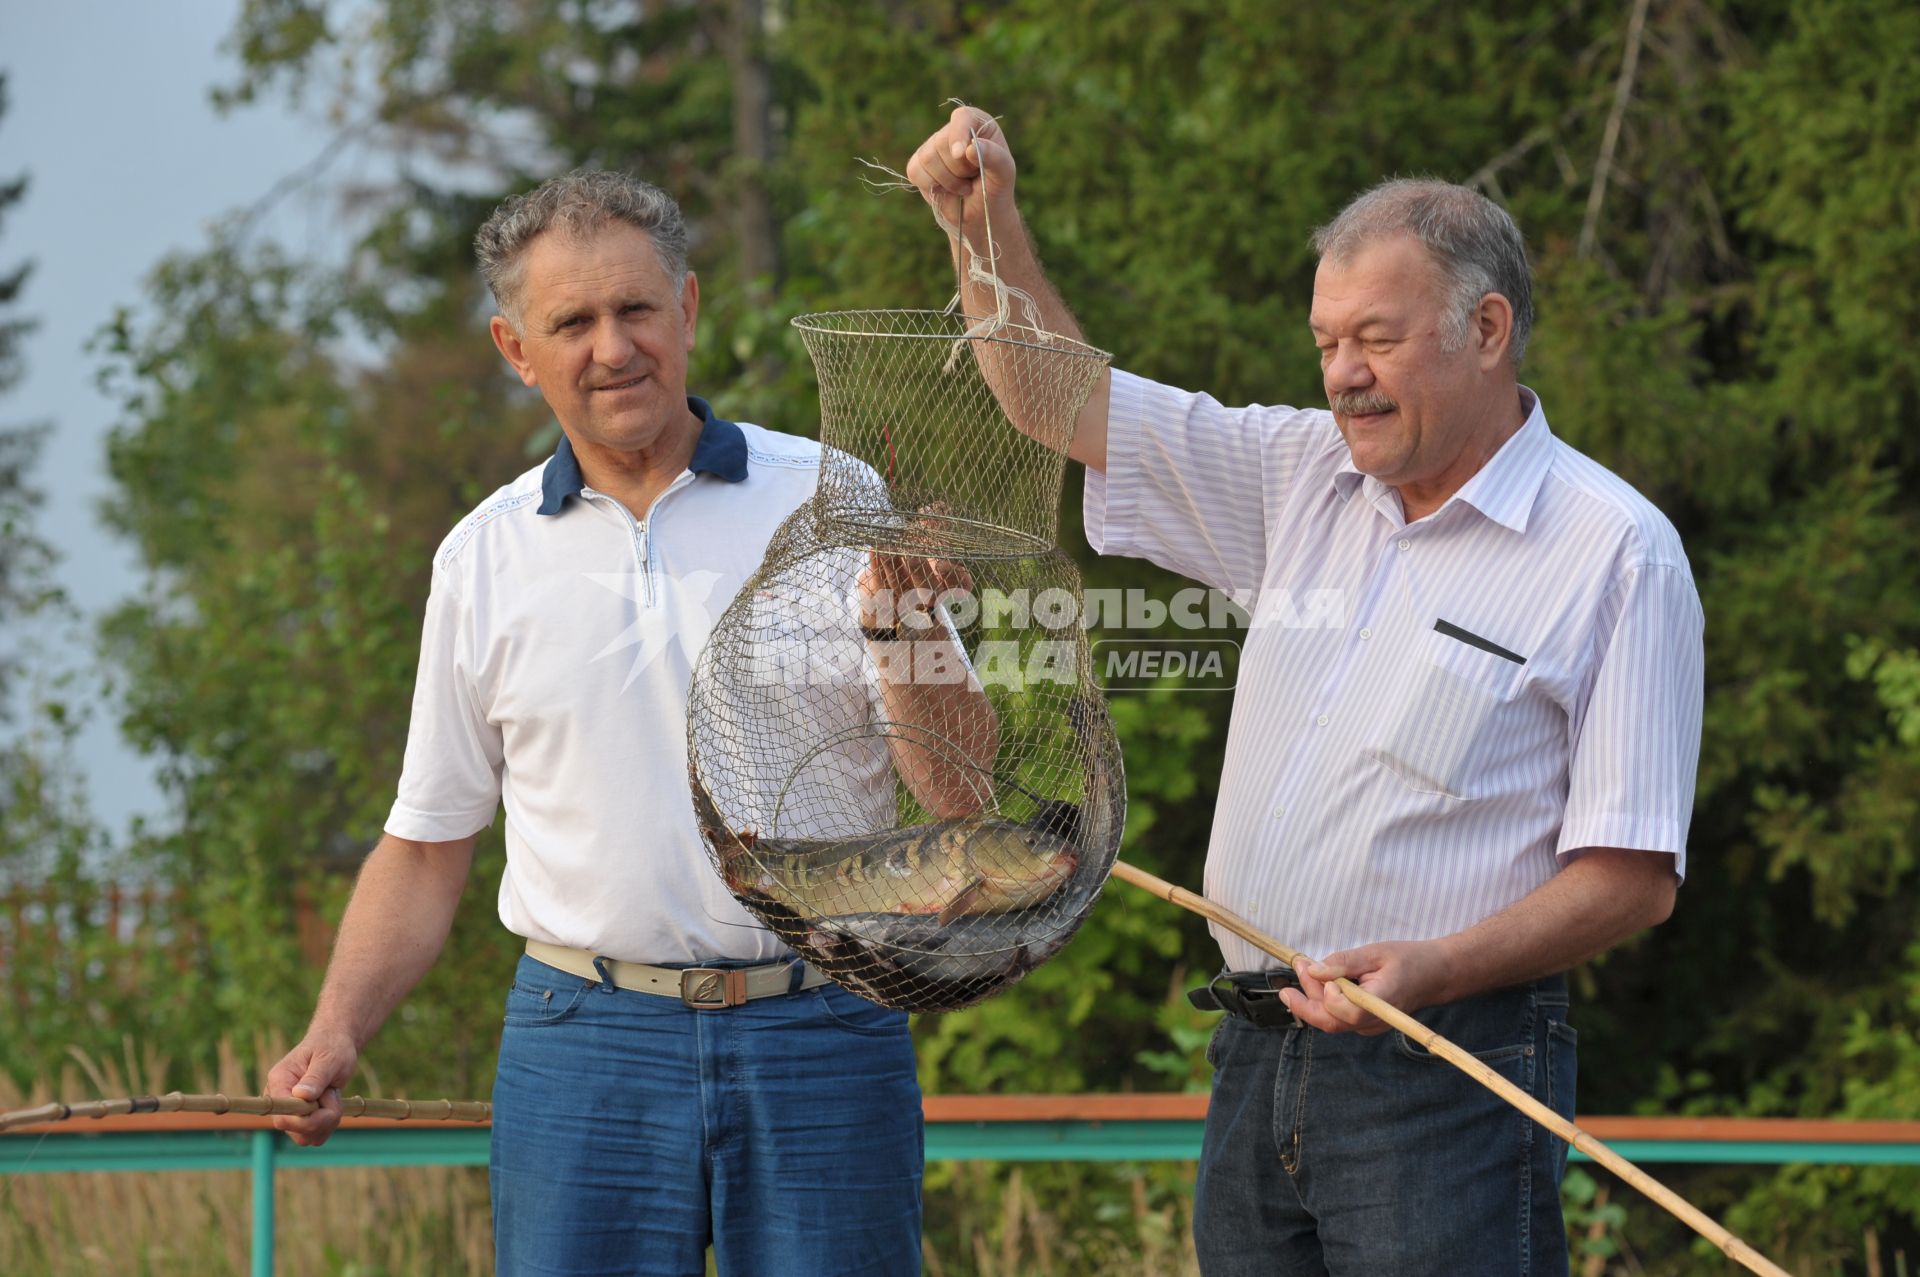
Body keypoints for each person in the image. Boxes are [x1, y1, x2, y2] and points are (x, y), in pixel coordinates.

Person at [907, 106, 1703, 1274]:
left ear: (1487, 328)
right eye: (1326, 341)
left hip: (1450, 1067)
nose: (1342, 376)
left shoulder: (1615, 551)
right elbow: (1062, 402)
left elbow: (1630, 880)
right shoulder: (1300, 474)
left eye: (1374, 338)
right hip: (1252, 1053)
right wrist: (979, 225)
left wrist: (1439, 967)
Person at [266, 169, 996, 1276]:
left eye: (637, 308)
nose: (614, 347)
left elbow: (961, 795)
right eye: (574, 321)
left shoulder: (833, 497)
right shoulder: (483, 557)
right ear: (518, 349)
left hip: (825, 1027)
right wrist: (336, 1030)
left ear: (690, 308)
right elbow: (424, 844)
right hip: (584, 1043)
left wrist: (906, 638)